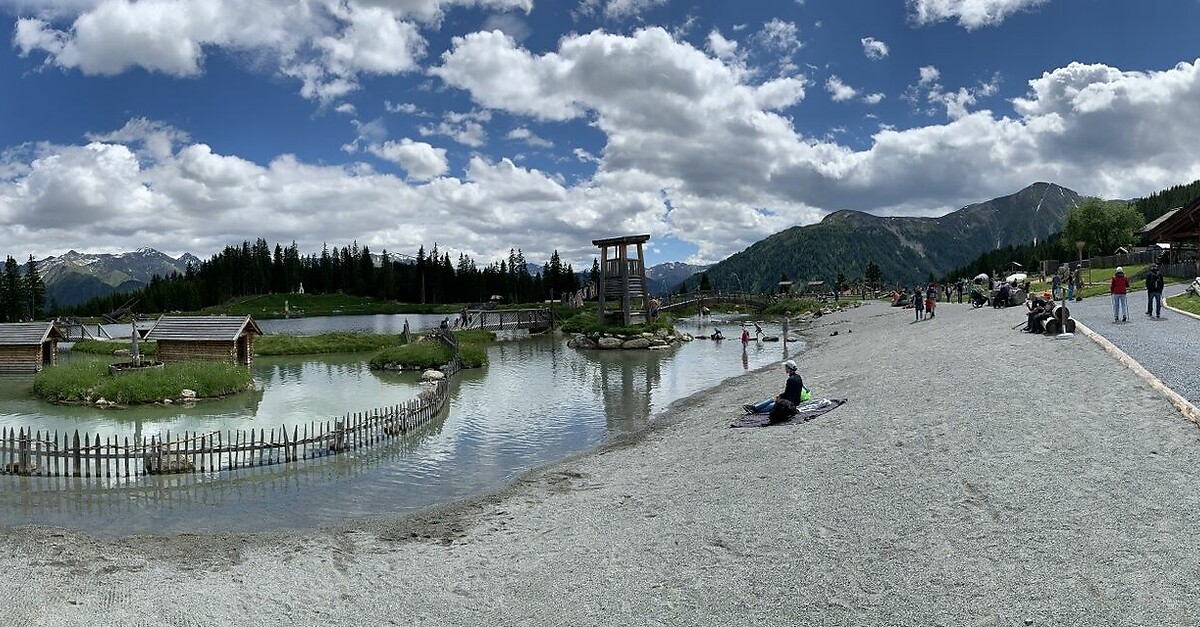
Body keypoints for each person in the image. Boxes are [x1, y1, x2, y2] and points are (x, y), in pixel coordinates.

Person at [742, 359, 811, 419]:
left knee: (773, 404)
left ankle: (756, 410)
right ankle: (754, 408)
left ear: (788, 368)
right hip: (795, 400)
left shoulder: (790, 380)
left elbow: (788, 393)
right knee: (772, 400)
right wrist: (780, 396)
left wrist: (780, 397)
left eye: (785, 367)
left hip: (791, 402)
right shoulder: (798, 377)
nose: (785, 369)